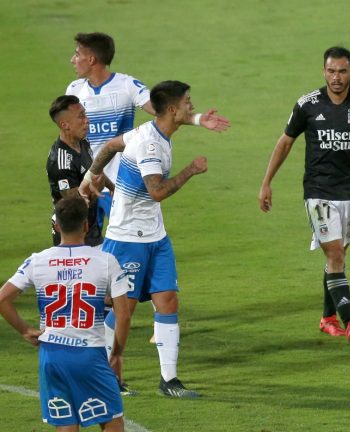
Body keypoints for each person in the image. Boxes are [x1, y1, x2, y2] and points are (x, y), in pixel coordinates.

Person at [79, 80, 223, 398]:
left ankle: (169, 380)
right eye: (188, 102)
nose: (191, 105)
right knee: (123, 310)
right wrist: (190, 170)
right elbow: (156, 192)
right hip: (128, 236)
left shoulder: (151, 130)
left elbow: (111, 146)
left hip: (155, 236)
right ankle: (104, 375)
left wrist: (91, 176)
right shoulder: (150, 145)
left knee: (168, 300)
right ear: (172, 109)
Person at [259, 46, 350, 344]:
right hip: (318, 193)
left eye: (342, 71)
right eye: (331, 71)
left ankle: (327, 317)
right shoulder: (307, 104)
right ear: (324, 71)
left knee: (338, 258)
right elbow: (285, 143)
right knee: (334, 254)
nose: (336, 77)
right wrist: (266, 181)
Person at [66, 32, 229, 233]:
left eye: (77, 54)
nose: (72, 60)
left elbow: (164, 112)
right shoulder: (74, 90)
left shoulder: (126, 85)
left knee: (125, 240)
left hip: (119, 184)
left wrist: (196, 118)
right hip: (87, 179)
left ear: (91, 59)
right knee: (83, 244)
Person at [0, 195, 131, 431]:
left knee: (66, 424)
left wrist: (25, 329)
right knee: (112, 421)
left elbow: (2, 299)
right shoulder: (106, 261)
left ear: (57, 225)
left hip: (51, 355)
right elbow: (123, 315)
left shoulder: (36, 261)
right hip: (90, 354)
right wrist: (117, 354)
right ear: (86, 225)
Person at [47, 95, 114, 247]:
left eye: (85, 114)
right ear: (65, 125)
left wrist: (112, 188)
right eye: (81, 116)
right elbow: (73, 203)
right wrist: (96, 188)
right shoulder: (61, 162)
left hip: (89, 227)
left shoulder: (82, 141)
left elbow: (94, 170)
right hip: (71, 234)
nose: (87, 120)